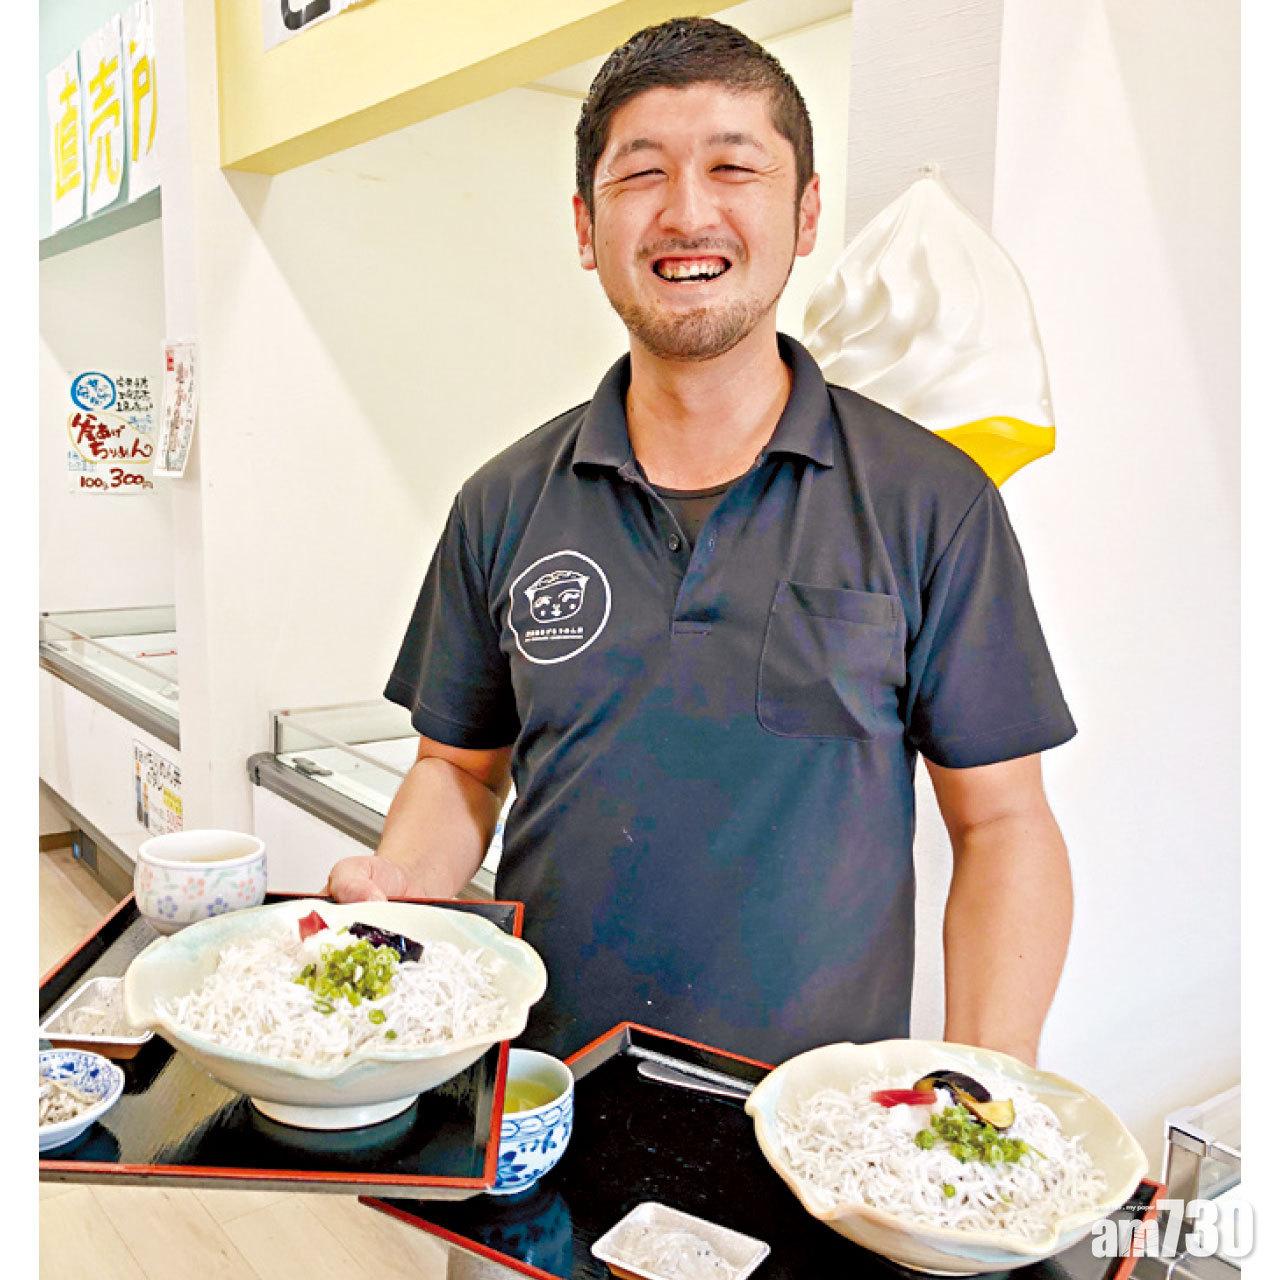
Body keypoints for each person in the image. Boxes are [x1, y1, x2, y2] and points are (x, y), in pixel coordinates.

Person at [327, 17, 1075, 1071]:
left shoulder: (930, 502)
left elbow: (1002, 823)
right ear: (585, 226)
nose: (687, 212)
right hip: (539, 1093)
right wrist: (402, 891)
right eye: (641, 175)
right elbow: (457, 769)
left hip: (816, 1131)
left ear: (804, 211)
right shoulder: (500, 502)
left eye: (733, 167)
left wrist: (983, 1080)